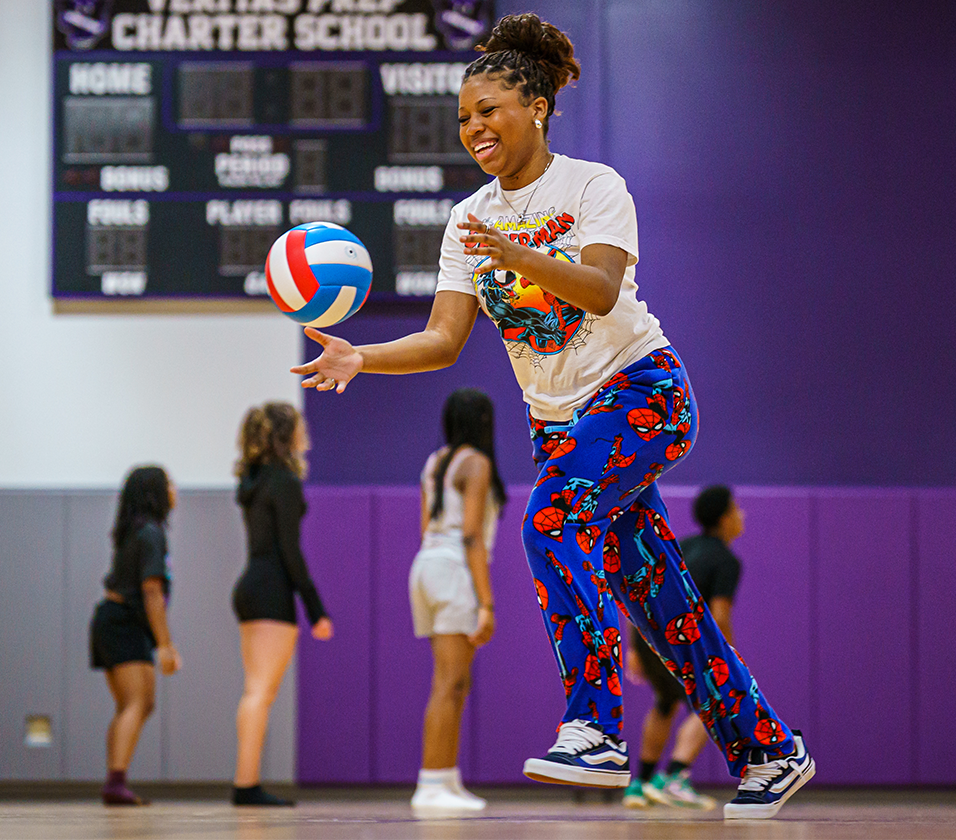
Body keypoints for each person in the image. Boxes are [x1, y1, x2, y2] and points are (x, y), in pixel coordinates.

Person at [290, 13, 813, 820]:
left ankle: (594, 729)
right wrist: (363, 355)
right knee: (663, 604)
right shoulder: (468, 220)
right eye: (463, 119)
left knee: (548, 522)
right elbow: (443, 337)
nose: (473, 130)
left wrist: (525, 256)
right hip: (564, 426)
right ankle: (769, 748)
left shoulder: (593, 186)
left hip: (642, 392)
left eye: (488, 111)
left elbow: (601, 290)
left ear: (534, 106)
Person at [408, 389, 508, 811]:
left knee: (452, 682)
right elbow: (470, 536)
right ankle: (430, 783)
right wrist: (486, 603)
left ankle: (444, 780)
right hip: (453, 567)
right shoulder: (477, 463)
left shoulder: (435, 462)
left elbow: (423, 525)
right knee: (450, 683)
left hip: (427, 565)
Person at [231, 402, 334, 806]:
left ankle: (246, 780)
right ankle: (245, 784)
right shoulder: (285, 483)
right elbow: (290, 552)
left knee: (254, 691)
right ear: (284, 434)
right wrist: (316, 610)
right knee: (259, 692)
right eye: (298, 426)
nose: (305, 431)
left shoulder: (254, 480)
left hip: (250, 586)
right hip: (271, 589)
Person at [622, 485, 745, 811]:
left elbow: (646, 590)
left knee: (665, 702)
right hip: (685, 639)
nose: (741, 516)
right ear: (724, 519)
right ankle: (677, 776)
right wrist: (727, 656)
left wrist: (635, 647)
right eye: (736, 509)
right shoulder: (726, 560)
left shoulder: (683, 546)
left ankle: (641, 783)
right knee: (717, 698)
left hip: (651, 635)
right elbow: (719, 614)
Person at [89, 465, 181, 806]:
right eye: (169, 484)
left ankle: (115, 778)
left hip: (114, 620)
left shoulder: (135, 531)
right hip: (122, 622)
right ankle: (115, 781)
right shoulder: (151, 534)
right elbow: (152, 591)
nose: (175, 490)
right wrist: (166, 645)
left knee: (133, 704)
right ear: (155, 492)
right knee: (139, 702)